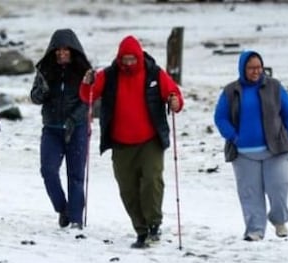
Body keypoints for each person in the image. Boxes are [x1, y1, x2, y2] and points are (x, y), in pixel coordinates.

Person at [80, 35, 183, 248]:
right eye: (124, 59)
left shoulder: (154, 73)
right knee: (128, 189)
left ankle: (154, 225)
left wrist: (175, 102)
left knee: (151, 182)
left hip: (150, 141)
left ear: (139, 57)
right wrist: (86, 83)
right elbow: (87, 96)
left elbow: (174, 93)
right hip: (120, 143)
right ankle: (141, 230)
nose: (128, 63)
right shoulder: (108, 75)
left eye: (132, 59)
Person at [212, 50, 288, 241]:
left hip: (275, 149)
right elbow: (220, 117)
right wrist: (233, 136)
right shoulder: (230, 91)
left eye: (259, 67)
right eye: (251, 68)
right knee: (250, 193)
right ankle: (255, 230)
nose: (256, 71)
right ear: (243, 68)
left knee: (279, 187)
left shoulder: (274, 87)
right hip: (244, 153)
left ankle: (279, 219)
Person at [30, 29, 92, 230]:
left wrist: (74, 120)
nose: (61, 53)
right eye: (58, 49)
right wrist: (42, 91)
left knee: (76, 175)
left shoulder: (85, 72)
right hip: (52, 128)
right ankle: (62, 209)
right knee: (48, 171)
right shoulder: (45, 70)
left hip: (77, 129)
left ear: (73, 51)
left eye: (66, 49)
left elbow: (89, 100)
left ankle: (76, 219)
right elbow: (34, 97)